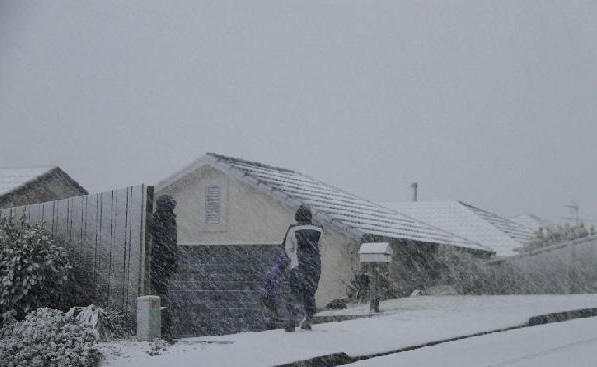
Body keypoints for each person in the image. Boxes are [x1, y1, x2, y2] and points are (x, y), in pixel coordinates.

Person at [283, 205, 323, 331]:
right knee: (309, 293)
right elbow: (322, 248)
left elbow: (288, 248)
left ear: (297, 216)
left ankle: (291, 320)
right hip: (314, 265)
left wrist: (293, 258)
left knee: (295, 293)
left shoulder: (293, 229)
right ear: (310, 216)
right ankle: (309, 319)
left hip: (298, 265)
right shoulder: (319, 230)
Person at [150, 195, 178, 342]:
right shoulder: (167, 220)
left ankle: (162, 330)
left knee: (159, 297)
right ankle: (164, 331)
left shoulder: (156, 220)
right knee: (162, 297)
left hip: (157, 264)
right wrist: (172, 261)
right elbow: (170, 244)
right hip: (160, 264)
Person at [260, 255, 290, 329]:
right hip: (268, 296)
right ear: (283, 264)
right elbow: (275, 287)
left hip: (268, 295)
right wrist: (277, 299)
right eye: (287, 264)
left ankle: (273, 325)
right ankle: (272, 327)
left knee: (273, 312)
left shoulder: (277, 271)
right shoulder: (276, 272)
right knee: (273, 312)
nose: (287, 266)